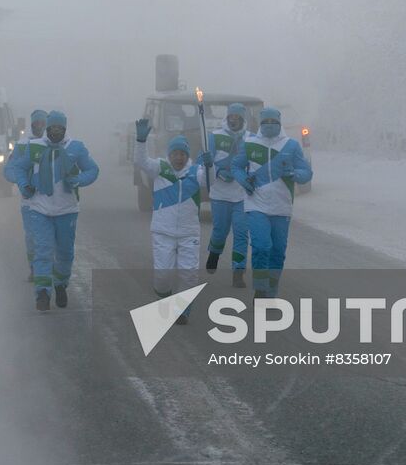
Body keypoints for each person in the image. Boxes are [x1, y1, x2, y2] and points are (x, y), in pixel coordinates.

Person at [3, 110, 99, 311]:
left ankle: (61, 284)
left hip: (67, 209)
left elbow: (92, 170)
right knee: (43, 250)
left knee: (65, 253)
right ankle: (43, 293)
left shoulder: (76, 148)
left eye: (59, 128)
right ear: (47, 128)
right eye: (52, 128)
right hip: (39, 209)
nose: (55, 132)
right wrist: (23, 184)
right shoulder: (34, 147)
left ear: (64, 129)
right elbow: (18, 168)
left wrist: (79, 180)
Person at [233, 107, 312, 298]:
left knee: (277, 251)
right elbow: (236, 166)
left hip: (281, 205)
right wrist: (244, 180)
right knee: (261, 246)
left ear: (279, 123)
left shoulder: (291, 145)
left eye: (273, 122)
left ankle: (271, 290)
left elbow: (307, 173)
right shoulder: (250, 143)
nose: (269, 125)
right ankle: (260, 288)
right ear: (260, 124)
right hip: (256, 203)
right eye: (266, 122)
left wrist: (295, 174)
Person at [133, 120, 202, 324]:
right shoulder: (160, 168)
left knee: (189, 275)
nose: (178, 158)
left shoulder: (196, 172)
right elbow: (141, 162)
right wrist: (141, 140)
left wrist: (210, 165)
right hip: (163, 232)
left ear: (187, 156)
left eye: (182, 154)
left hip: (189, 233)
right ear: (169, 154)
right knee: (163, 277)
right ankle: (166, 298)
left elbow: (212, 180)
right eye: (175, 154)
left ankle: (182, 310)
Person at [199, 103, 250, 288]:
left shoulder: (250, 138)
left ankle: (238, 271)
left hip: (242, 194)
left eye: (238, 118)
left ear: (243, 119)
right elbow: (203, 160)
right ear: (227, 118)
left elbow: (253, 164)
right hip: (220, 193)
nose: (234, 120)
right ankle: (214, 253)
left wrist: (246, 177)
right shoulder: (215, 136)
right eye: (231, 117)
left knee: (242, 234)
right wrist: (218, 170)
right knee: (220, 231)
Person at [5, 109, 49, 281]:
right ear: (31, 125)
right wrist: (23, 183)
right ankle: (34, 267)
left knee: (50, 238)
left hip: (52, 200)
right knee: (32, 236)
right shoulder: (22, 145)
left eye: (42, 123)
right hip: (29, 201)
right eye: (36, 123)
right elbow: (9, 170)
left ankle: (49, 268)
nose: (39, 127)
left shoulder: (56, 144)